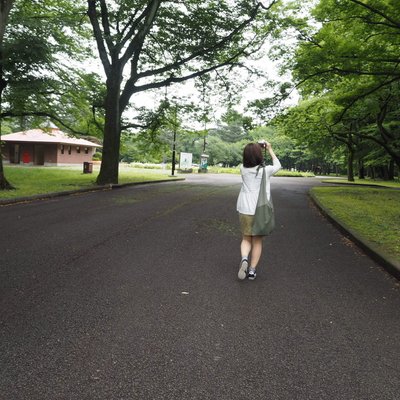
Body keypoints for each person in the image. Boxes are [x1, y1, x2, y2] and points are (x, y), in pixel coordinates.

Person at [236, 141, 281, 280]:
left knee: (246, 238)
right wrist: (270, 149)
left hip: (244, 208)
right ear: (259, 155)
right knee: (257, 241)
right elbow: (278, 165)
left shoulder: (242, 169)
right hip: (260, 210)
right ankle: (252, 270)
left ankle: (244, 258)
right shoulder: (265, 171)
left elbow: (250, 165)